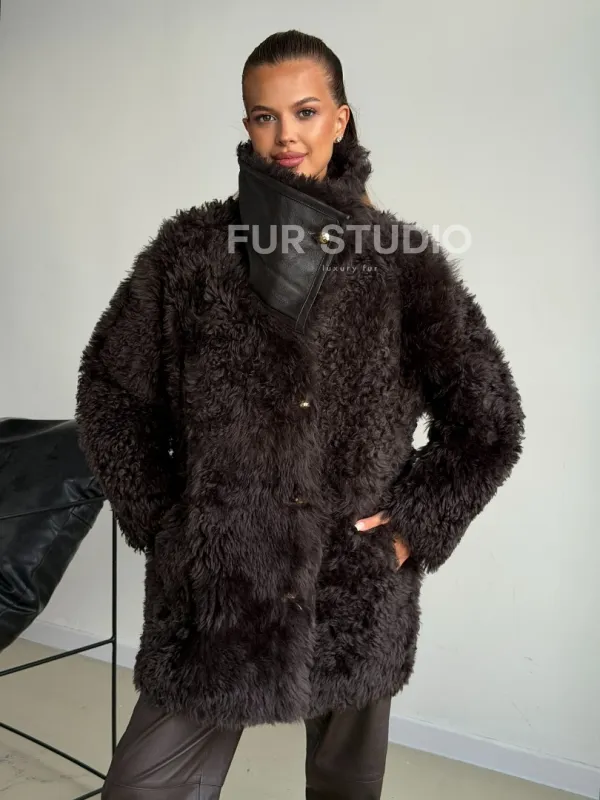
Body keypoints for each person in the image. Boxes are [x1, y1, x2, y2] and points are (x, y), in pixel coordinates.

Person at [75, 29, 525, 800]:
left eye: (306, 112)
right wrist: (168, 523)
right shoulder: (189, 255)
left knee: (347, 788)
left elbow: (490, 419)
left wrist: (412, 528)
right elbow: (110, 391)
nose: (286, 135)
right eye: (265, 116)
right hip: (217, 590)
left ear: (340, 119)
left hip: (353, 591)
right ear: (246, 125)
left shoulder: (403, 263)